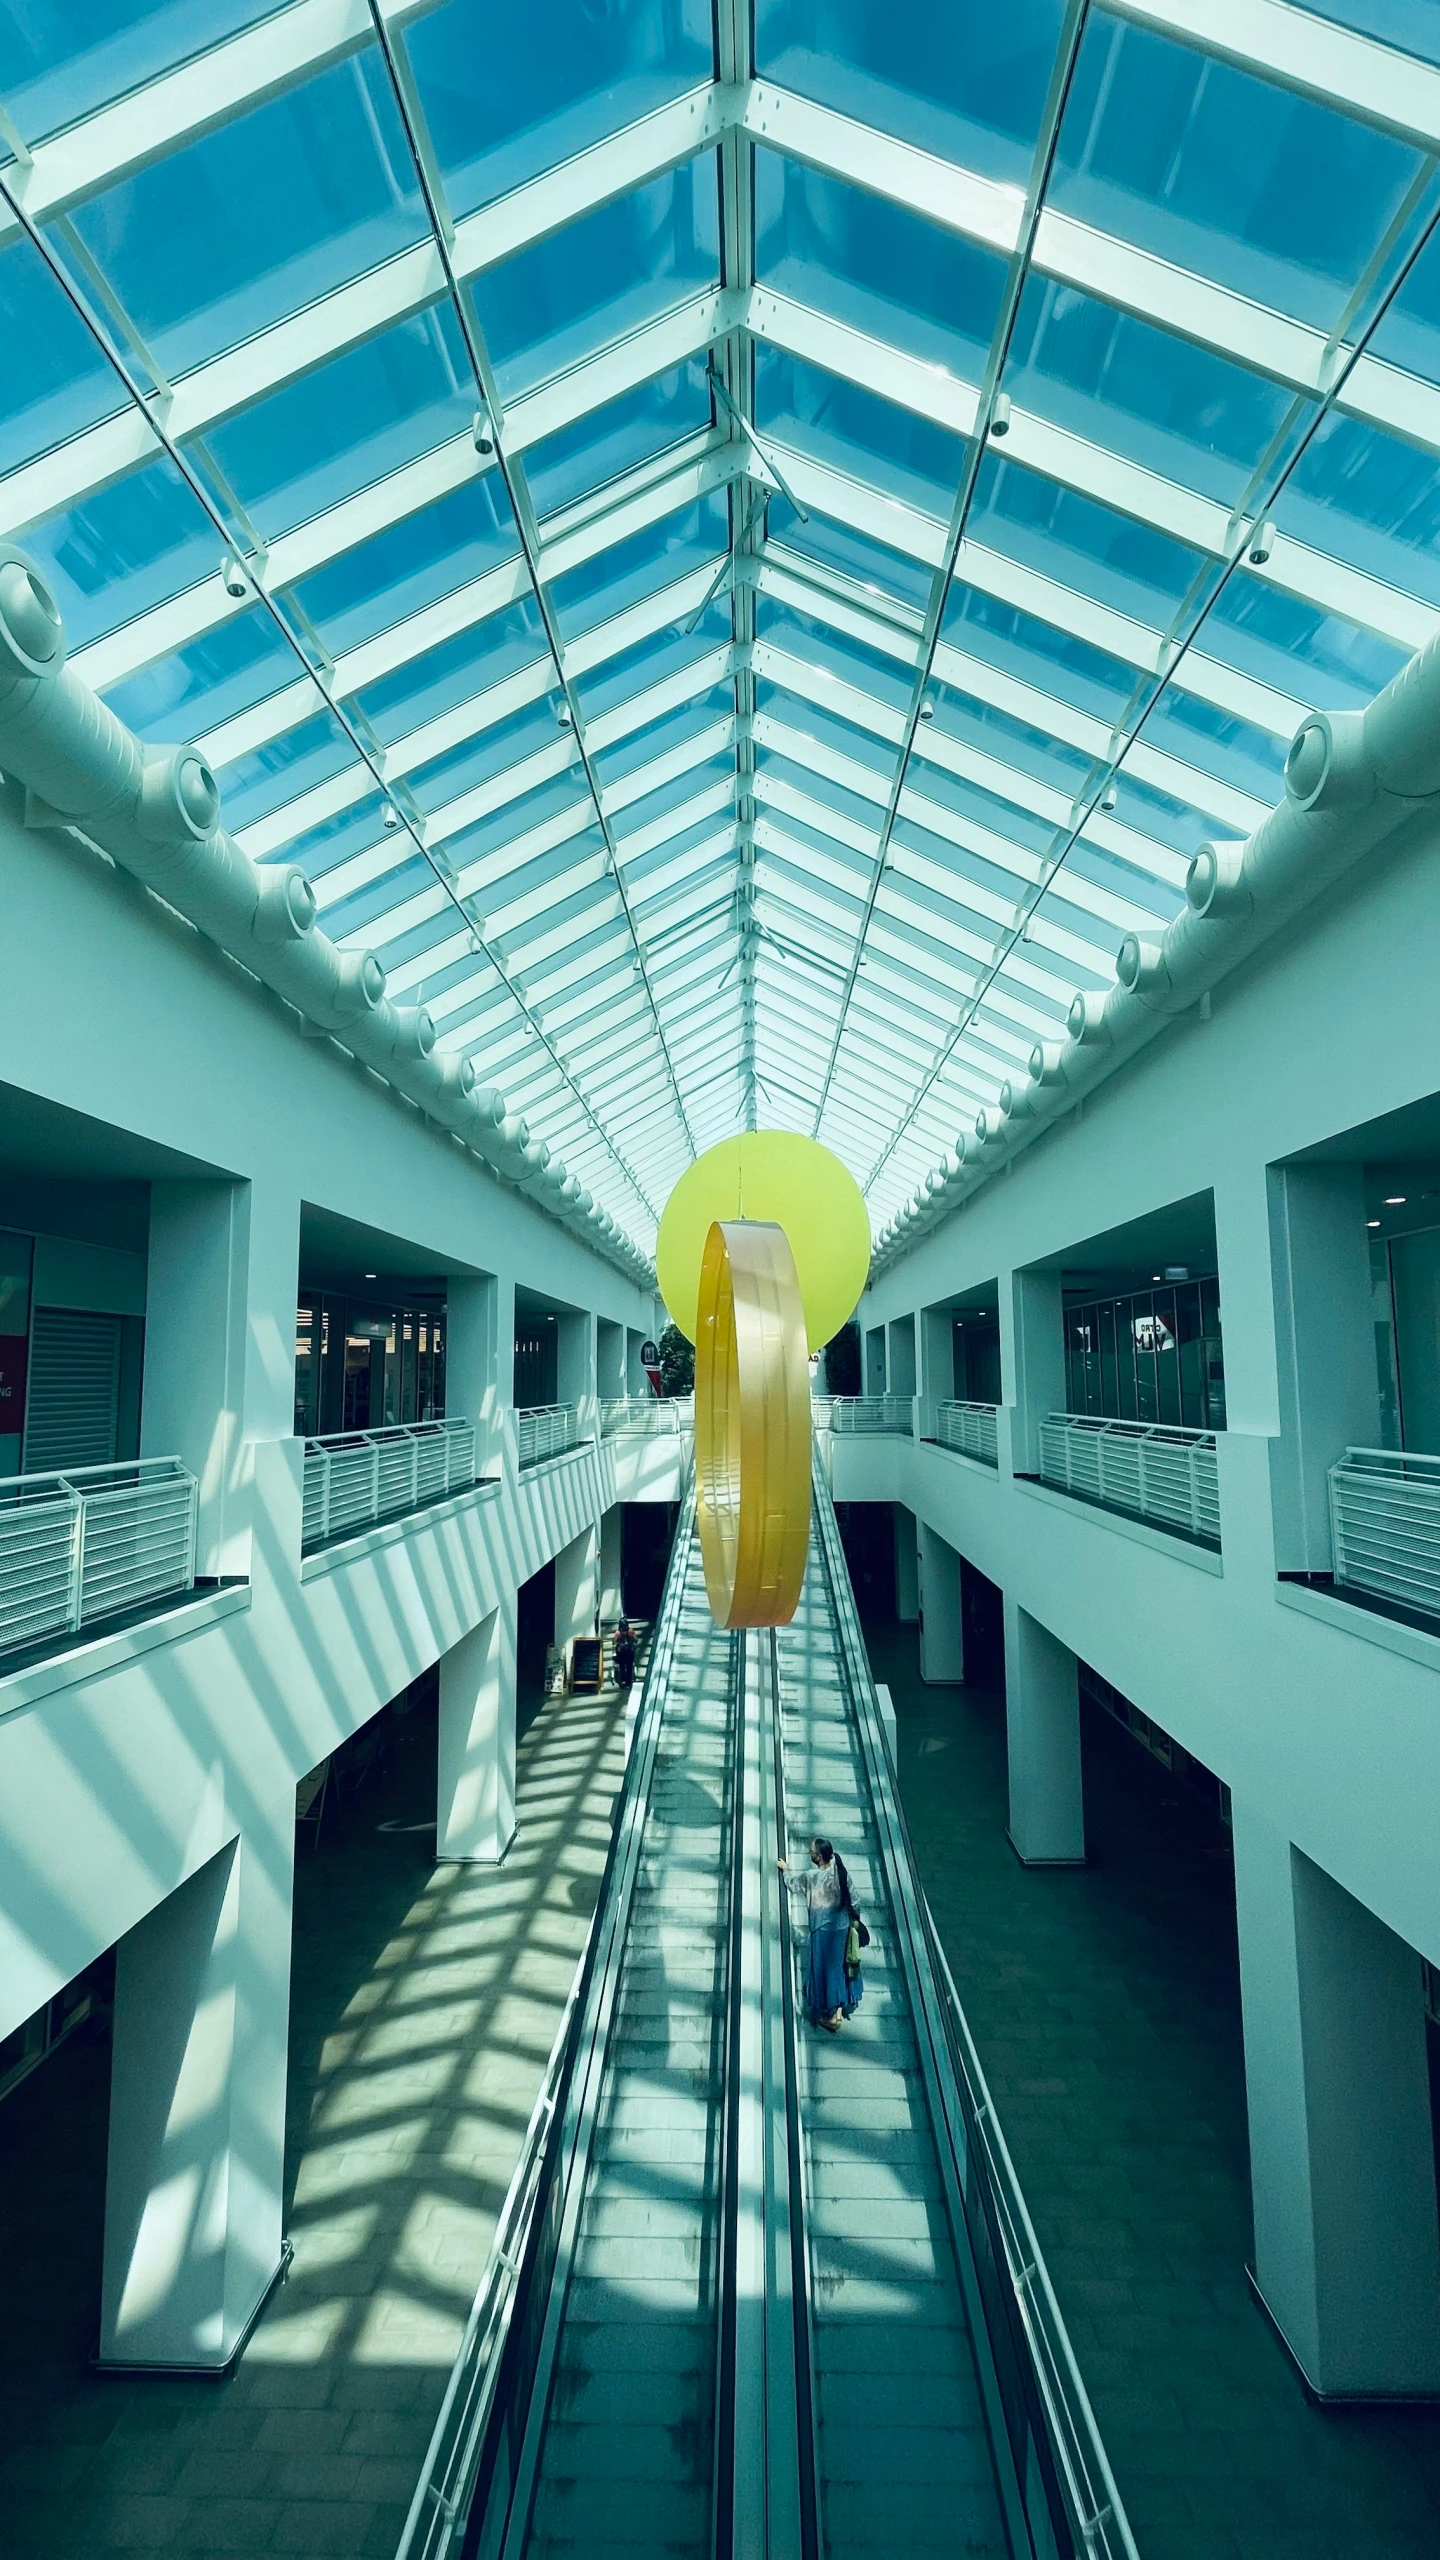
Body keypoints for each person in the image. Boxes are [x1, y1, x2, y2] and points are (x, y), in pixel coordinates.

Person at [780, 1836, 863, 2031]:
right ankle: (840, 2009)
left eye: (811, 1852)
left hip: (821, 1930)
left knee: (825, 1970)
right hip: (842, 1927)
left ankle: (834, 2016)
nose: (810, 1854)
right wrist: (855, 1919)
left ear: (818, 1856)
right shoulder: (840, 1872)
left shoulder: (811, 1877)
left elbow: (791, 1884)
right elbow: (855, 1899)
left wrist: (785, 1870)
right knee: (840, 1967)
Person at [612, 1620, 636, 1690]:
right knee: (629, 1667)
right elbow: (636, 1640)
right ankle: (628, 1683)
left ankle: (623, 1681)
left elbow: (613, 1642)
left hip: (621, 1654)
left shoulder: (618, 1633)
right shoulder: (630, 1632)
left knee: (622, 1667)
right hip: (630, 1653)